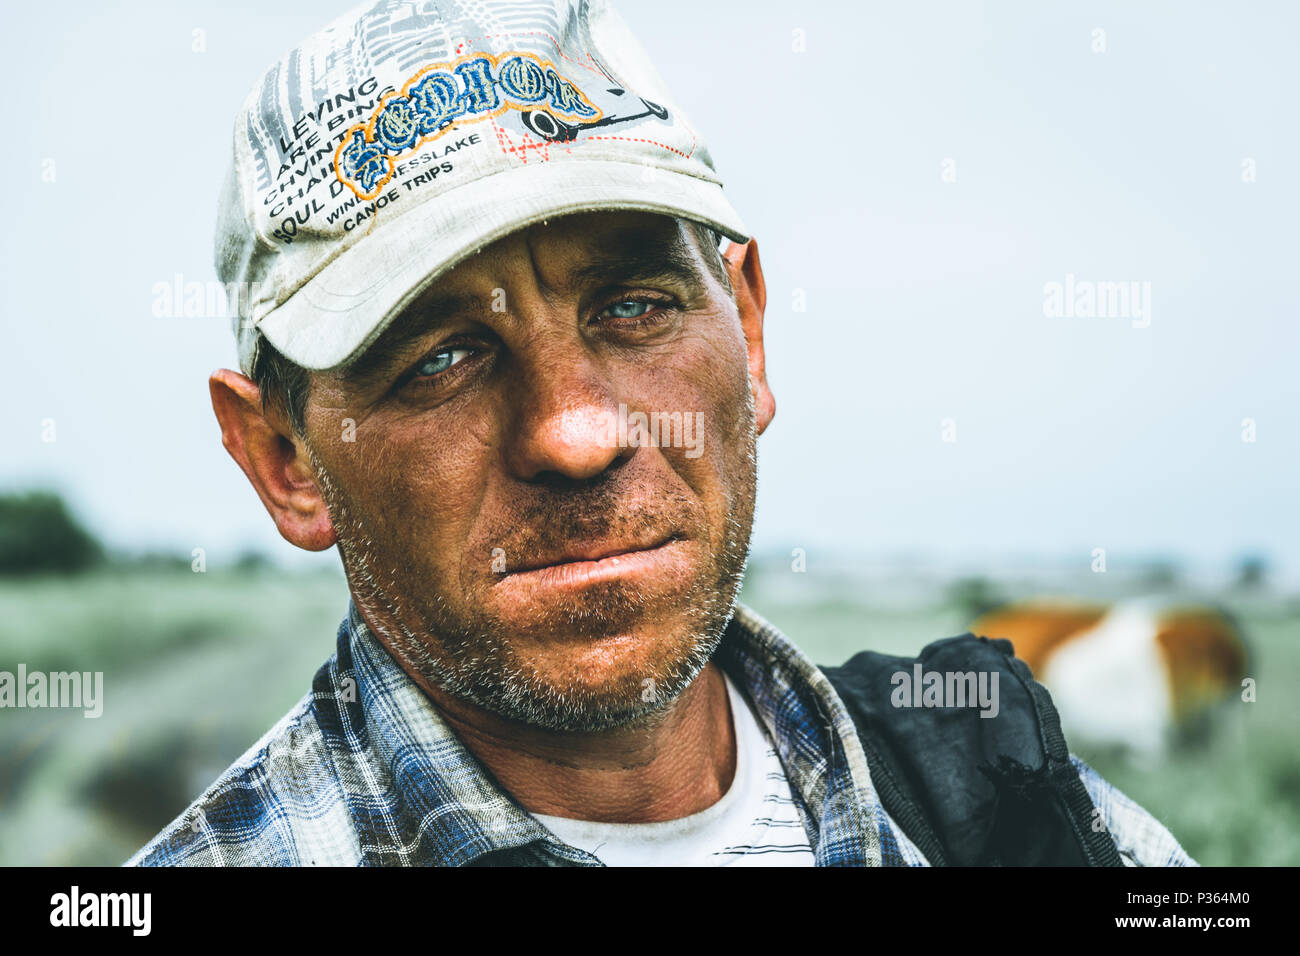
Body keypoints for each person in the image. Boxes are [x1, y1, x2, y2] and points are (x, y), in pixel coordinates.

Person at [129, 0, 1193, 867]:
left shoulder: (1011, 804)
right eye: (440, 356)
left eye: (632, 305)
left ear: (752, 334)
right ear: (284, 459)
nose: (578, 432)